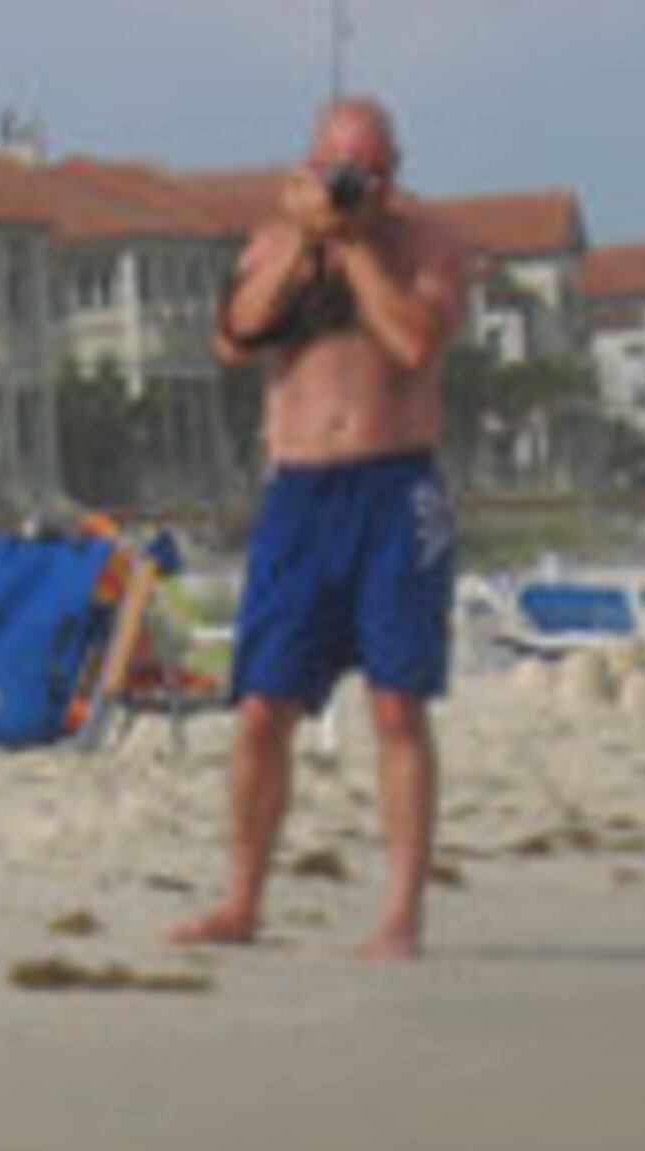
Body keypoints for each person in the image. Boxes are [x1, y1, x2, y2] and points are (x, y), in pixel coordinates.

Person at [174, 95, 471, 961]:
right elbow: (236, 336)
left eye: (369, 172)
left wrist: (354, 244)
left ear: (394, 172)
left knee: (396, 703)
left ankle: (401, 914)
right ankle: (241, 900)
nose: (353, 186)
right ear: (308, 166)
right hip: (300, 493)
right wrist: (308, 239)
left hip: (395, 487)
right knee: (264, 707)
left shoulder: (429, 247)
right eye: (338, 168)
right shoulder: (277, 242)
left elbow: (416, 342)